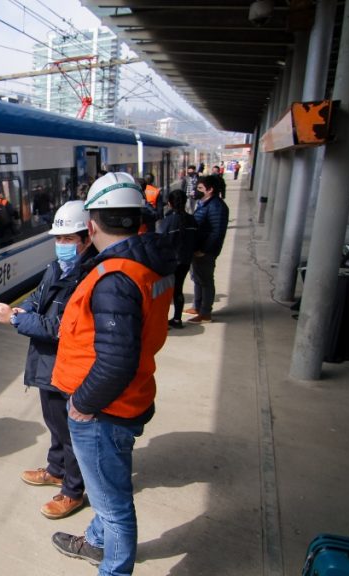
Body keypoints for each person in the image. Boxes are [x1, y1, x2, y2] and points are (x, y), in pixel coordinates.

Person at [50, 172, 176, 576]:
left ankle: (114, 568)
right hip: (131, 393)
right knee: (108, 488)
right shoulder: (149, 262)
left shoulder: (115, 278)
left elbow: (116, 359)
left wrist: (81, 405)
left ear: (91, 224)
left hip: (106, 408)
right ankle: (97, 541)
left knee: (114, 503)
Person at [0, 201, 95, 520]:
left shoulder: (87, 276)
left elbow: (62, 328)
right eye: (58, 239)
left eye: (68, 240)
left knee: (69, 429)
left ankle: (73, 491)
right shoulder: (57, 268)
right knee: (54, 423)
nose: (61, 245)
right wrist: (22, 309)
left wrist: (16, 320)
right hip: (48, 363)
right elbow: (38, 299)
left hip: (68, 364)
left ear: (86, 239)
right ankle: (56, 469)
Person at [186, 175, 229, 324]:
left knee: (206, 281)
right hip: (198, 248)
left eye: (200, 188)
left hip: (205, 251)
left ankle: (205, 313)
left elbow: (216, 233)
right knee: (197, 278)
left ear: (210, 190)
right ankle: (197, 307)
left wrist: (204, 250)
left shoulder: (217, 207)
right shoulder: (204, 203)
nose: (196, 191)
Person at [157, 188, 198, 328]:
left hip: (170, 262)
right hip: (186, 260)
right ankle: (177, 320)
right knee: (178, 289)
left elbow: (159, 241)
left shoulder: (167, 222)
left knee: (166, 293)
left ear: (169, 203)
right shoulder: (192, 220)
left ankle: (163, 321)